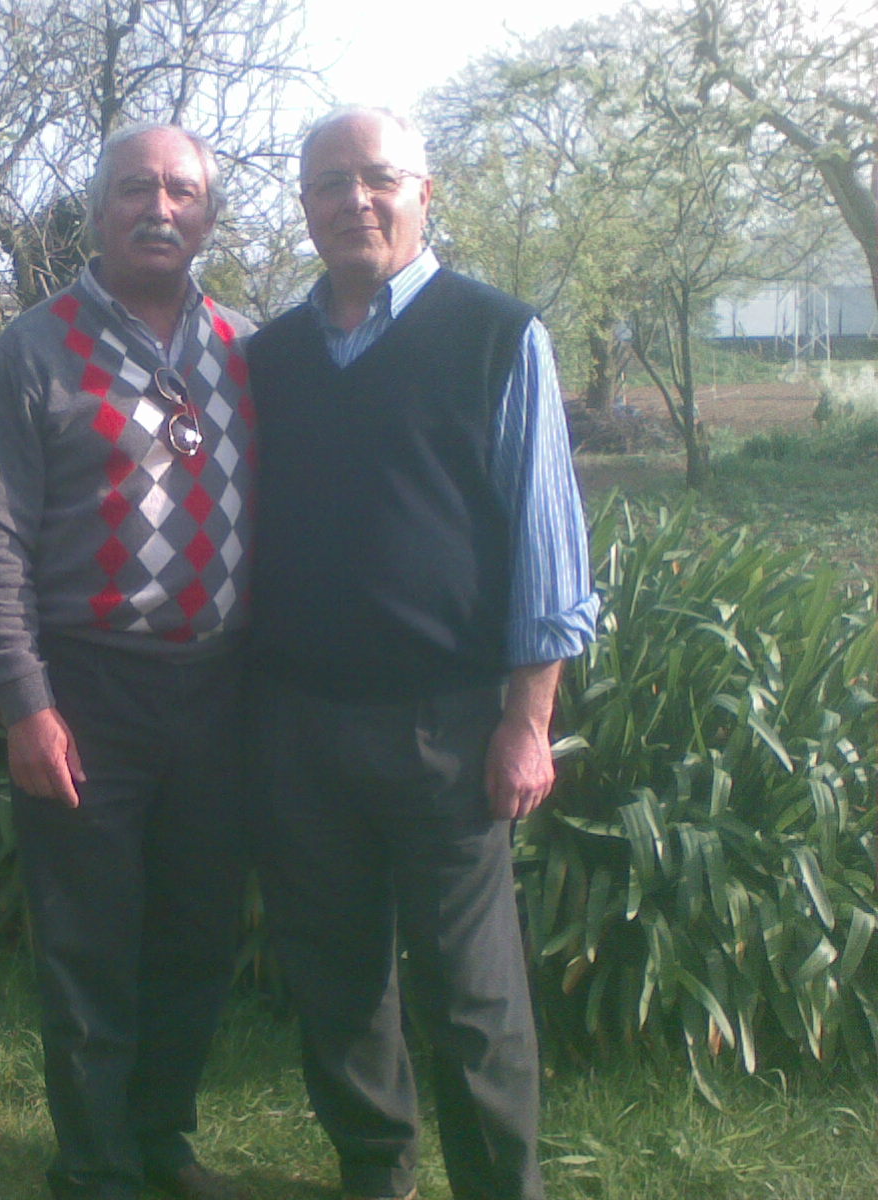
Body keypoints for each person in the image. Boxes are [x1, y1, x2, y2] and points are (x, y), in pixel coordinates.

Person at [245, 106, 600, 1200]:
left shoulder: (496, 336)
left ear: (423, 193)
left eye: (378, 177)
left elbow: (548, 546)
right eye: (328, 183)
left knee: (471, 996)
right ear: (305, 206)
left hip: (444, 727)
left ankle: (499, 1186)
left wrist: (527, 723)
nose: (354, 199)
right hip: (299, 724)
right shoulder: (269, 357)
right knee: (335, 976)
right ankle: (375, 1171)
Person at [0, 122, 256, 1200]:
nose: (158, 208)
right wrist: (24, 703)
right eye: (135, 188)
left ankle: (160, 1140)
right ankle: (93, 1168)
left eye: (181, 191)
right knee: (88, 945)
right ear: (96, 213)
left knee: (196, 934)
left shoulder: (246, 348)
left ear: (208, 216)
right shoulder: (34, 349)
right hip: (86, 690)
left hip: (219, 692)